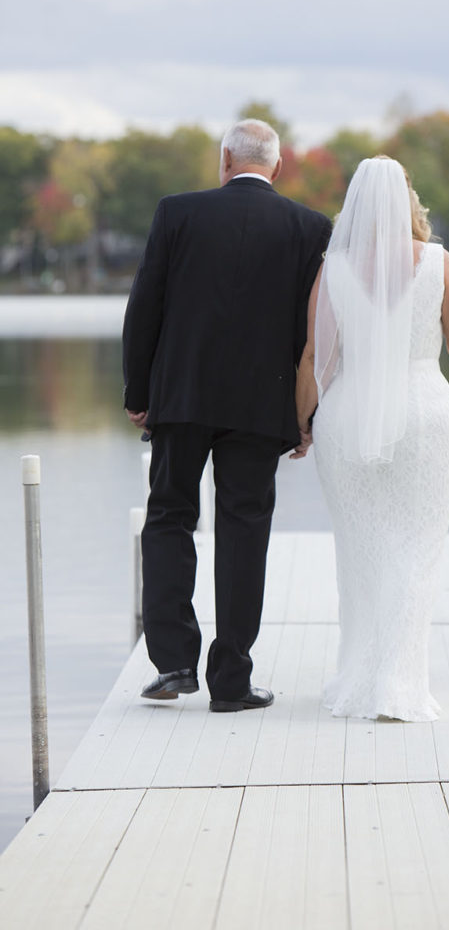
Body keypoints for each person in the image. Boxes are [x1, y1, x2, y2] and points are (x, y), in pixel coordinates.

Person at [294, 156, 449, 721]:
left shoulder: (334, 268)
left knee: (360, 547)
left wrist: (301, 426)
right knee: (416, 549)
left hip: (346, 419)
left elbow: (313, 359)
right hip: (425, 416)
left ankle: (361, 678)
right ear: (406, 200)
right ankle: (398, 684)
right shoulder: (438, 263)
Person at [122, 119, 332, 712]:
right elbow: (311, 333)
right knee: (244, 533)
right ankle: (232, 682)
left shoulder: (176, 212)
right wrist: (303, 414)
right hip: (260, 406)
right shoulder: (309, 227)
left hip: (182, 397)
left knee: (168, 518)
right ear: (278, 166)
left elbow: (145, 306)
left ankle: (174, 664)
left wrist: (139, 392)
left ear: (224, 160)